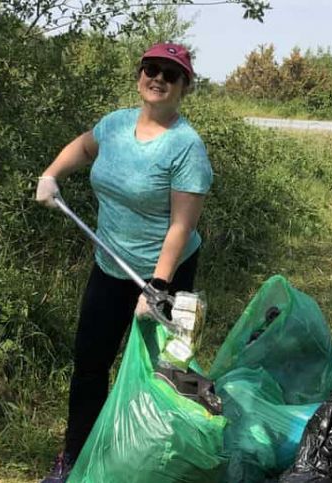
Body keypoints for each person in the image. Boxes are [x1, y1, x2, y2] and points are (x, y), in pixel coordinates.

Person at [35, 43, 212, 483]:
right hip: (110, 265)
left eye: (170, 74)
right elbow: (84, 148)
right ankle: (74, 458)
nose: (158, 79)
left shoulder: (186, 147)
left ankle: (146, 464)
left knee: (161, 373)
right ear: (139, 75)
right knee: (90, 364)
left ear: (185, 87)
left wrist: (157, 287)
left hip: (163, 274)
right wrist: (51, 175)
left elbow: (181, 228)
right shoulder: (114, 124)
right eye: (151, 69)